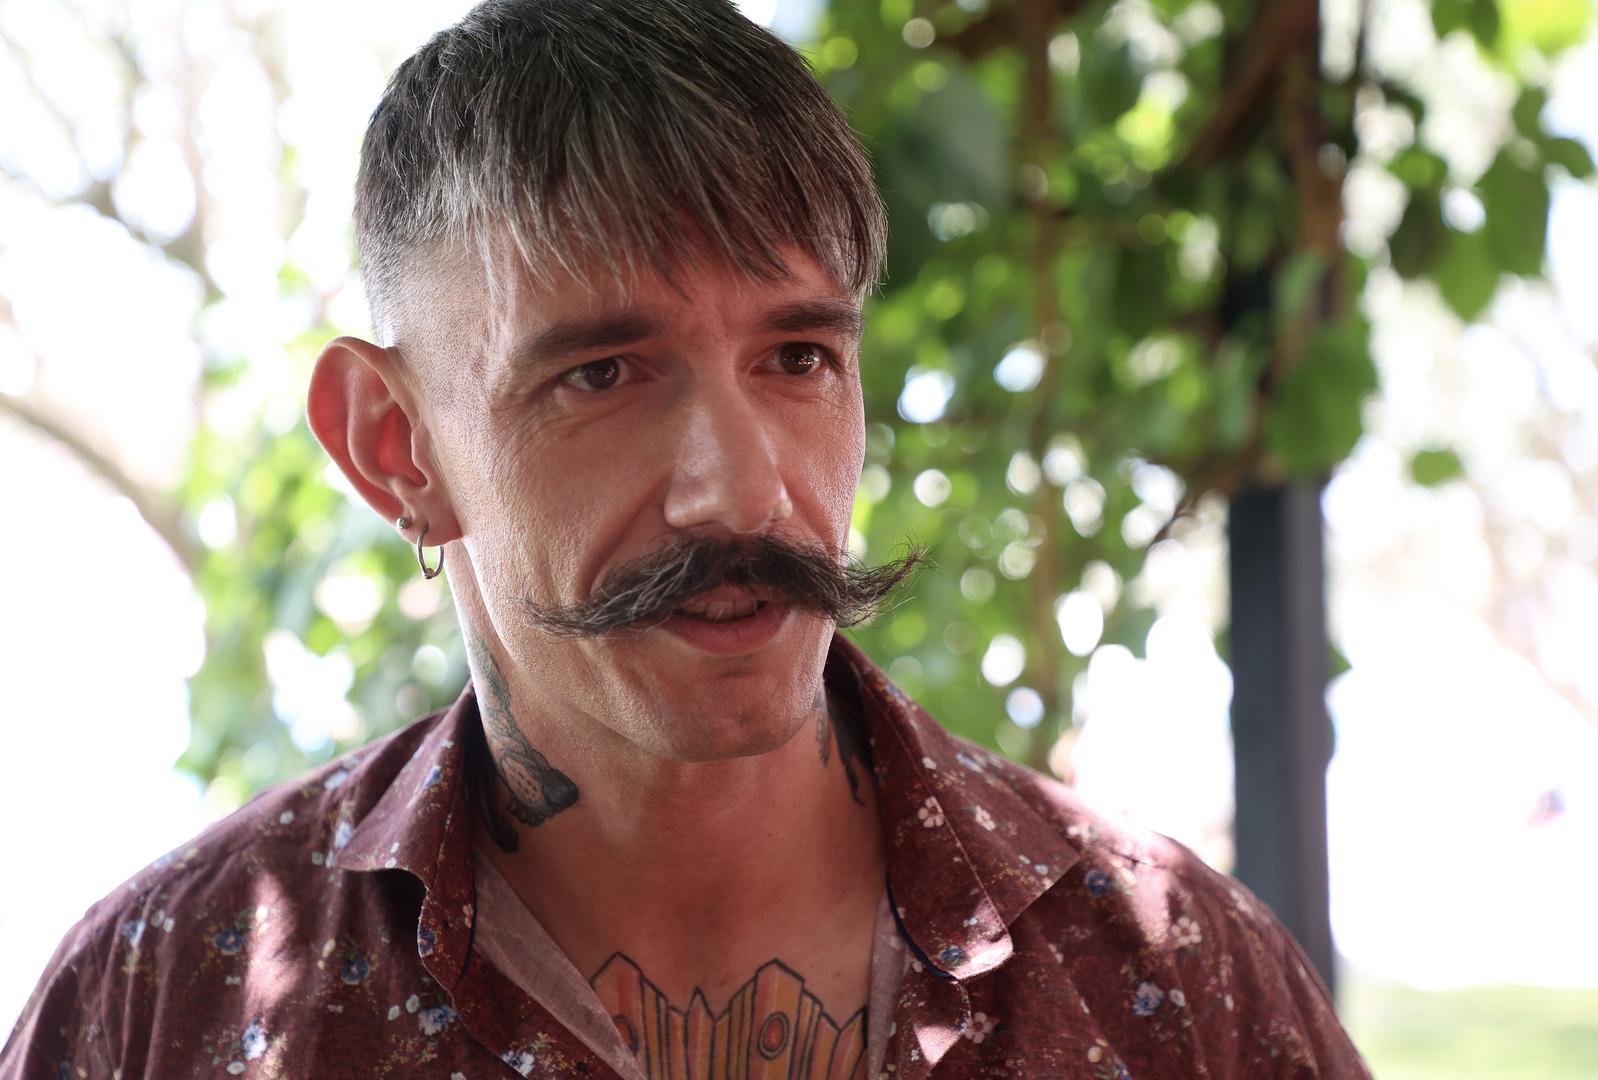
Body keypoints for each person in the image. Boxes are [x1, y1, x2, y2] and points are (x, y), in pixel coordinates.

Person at [1, 2, 1372, 1077]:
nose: (742, 493)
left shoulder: (1173, 978)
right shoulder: (167, 1002)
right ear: (394, 449)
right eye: (601, 375)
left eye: (796, 358)